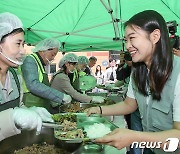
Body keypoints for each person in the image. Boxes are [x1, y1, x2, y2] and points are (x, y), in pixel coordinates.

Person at [85, 10, 180, 154]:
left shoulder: (178, 72)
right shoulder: (138, 70)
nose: (128, 45)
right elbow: (130, 104)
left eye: (132, 38)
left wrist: (134, 137)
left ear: (155, 36)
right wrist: (99, 110)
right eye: (126, 40)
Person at [0, 12, 53, 141]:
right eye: (18, 44)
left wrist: (31, 111)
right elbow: (14, 114)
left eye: (23, 44)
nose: (23, 50)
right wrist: (12, 117)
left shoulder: (15, 76)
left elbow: (18, 106)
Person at [21, 38, 72, 112]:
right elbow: (33, 85)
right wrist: (61, 96)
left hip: (41, 106)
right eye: (52, 54)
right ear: (44, 49)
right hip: (31, 105)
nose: (53, 58)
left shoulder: (40, 63)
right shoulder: (30, 60)